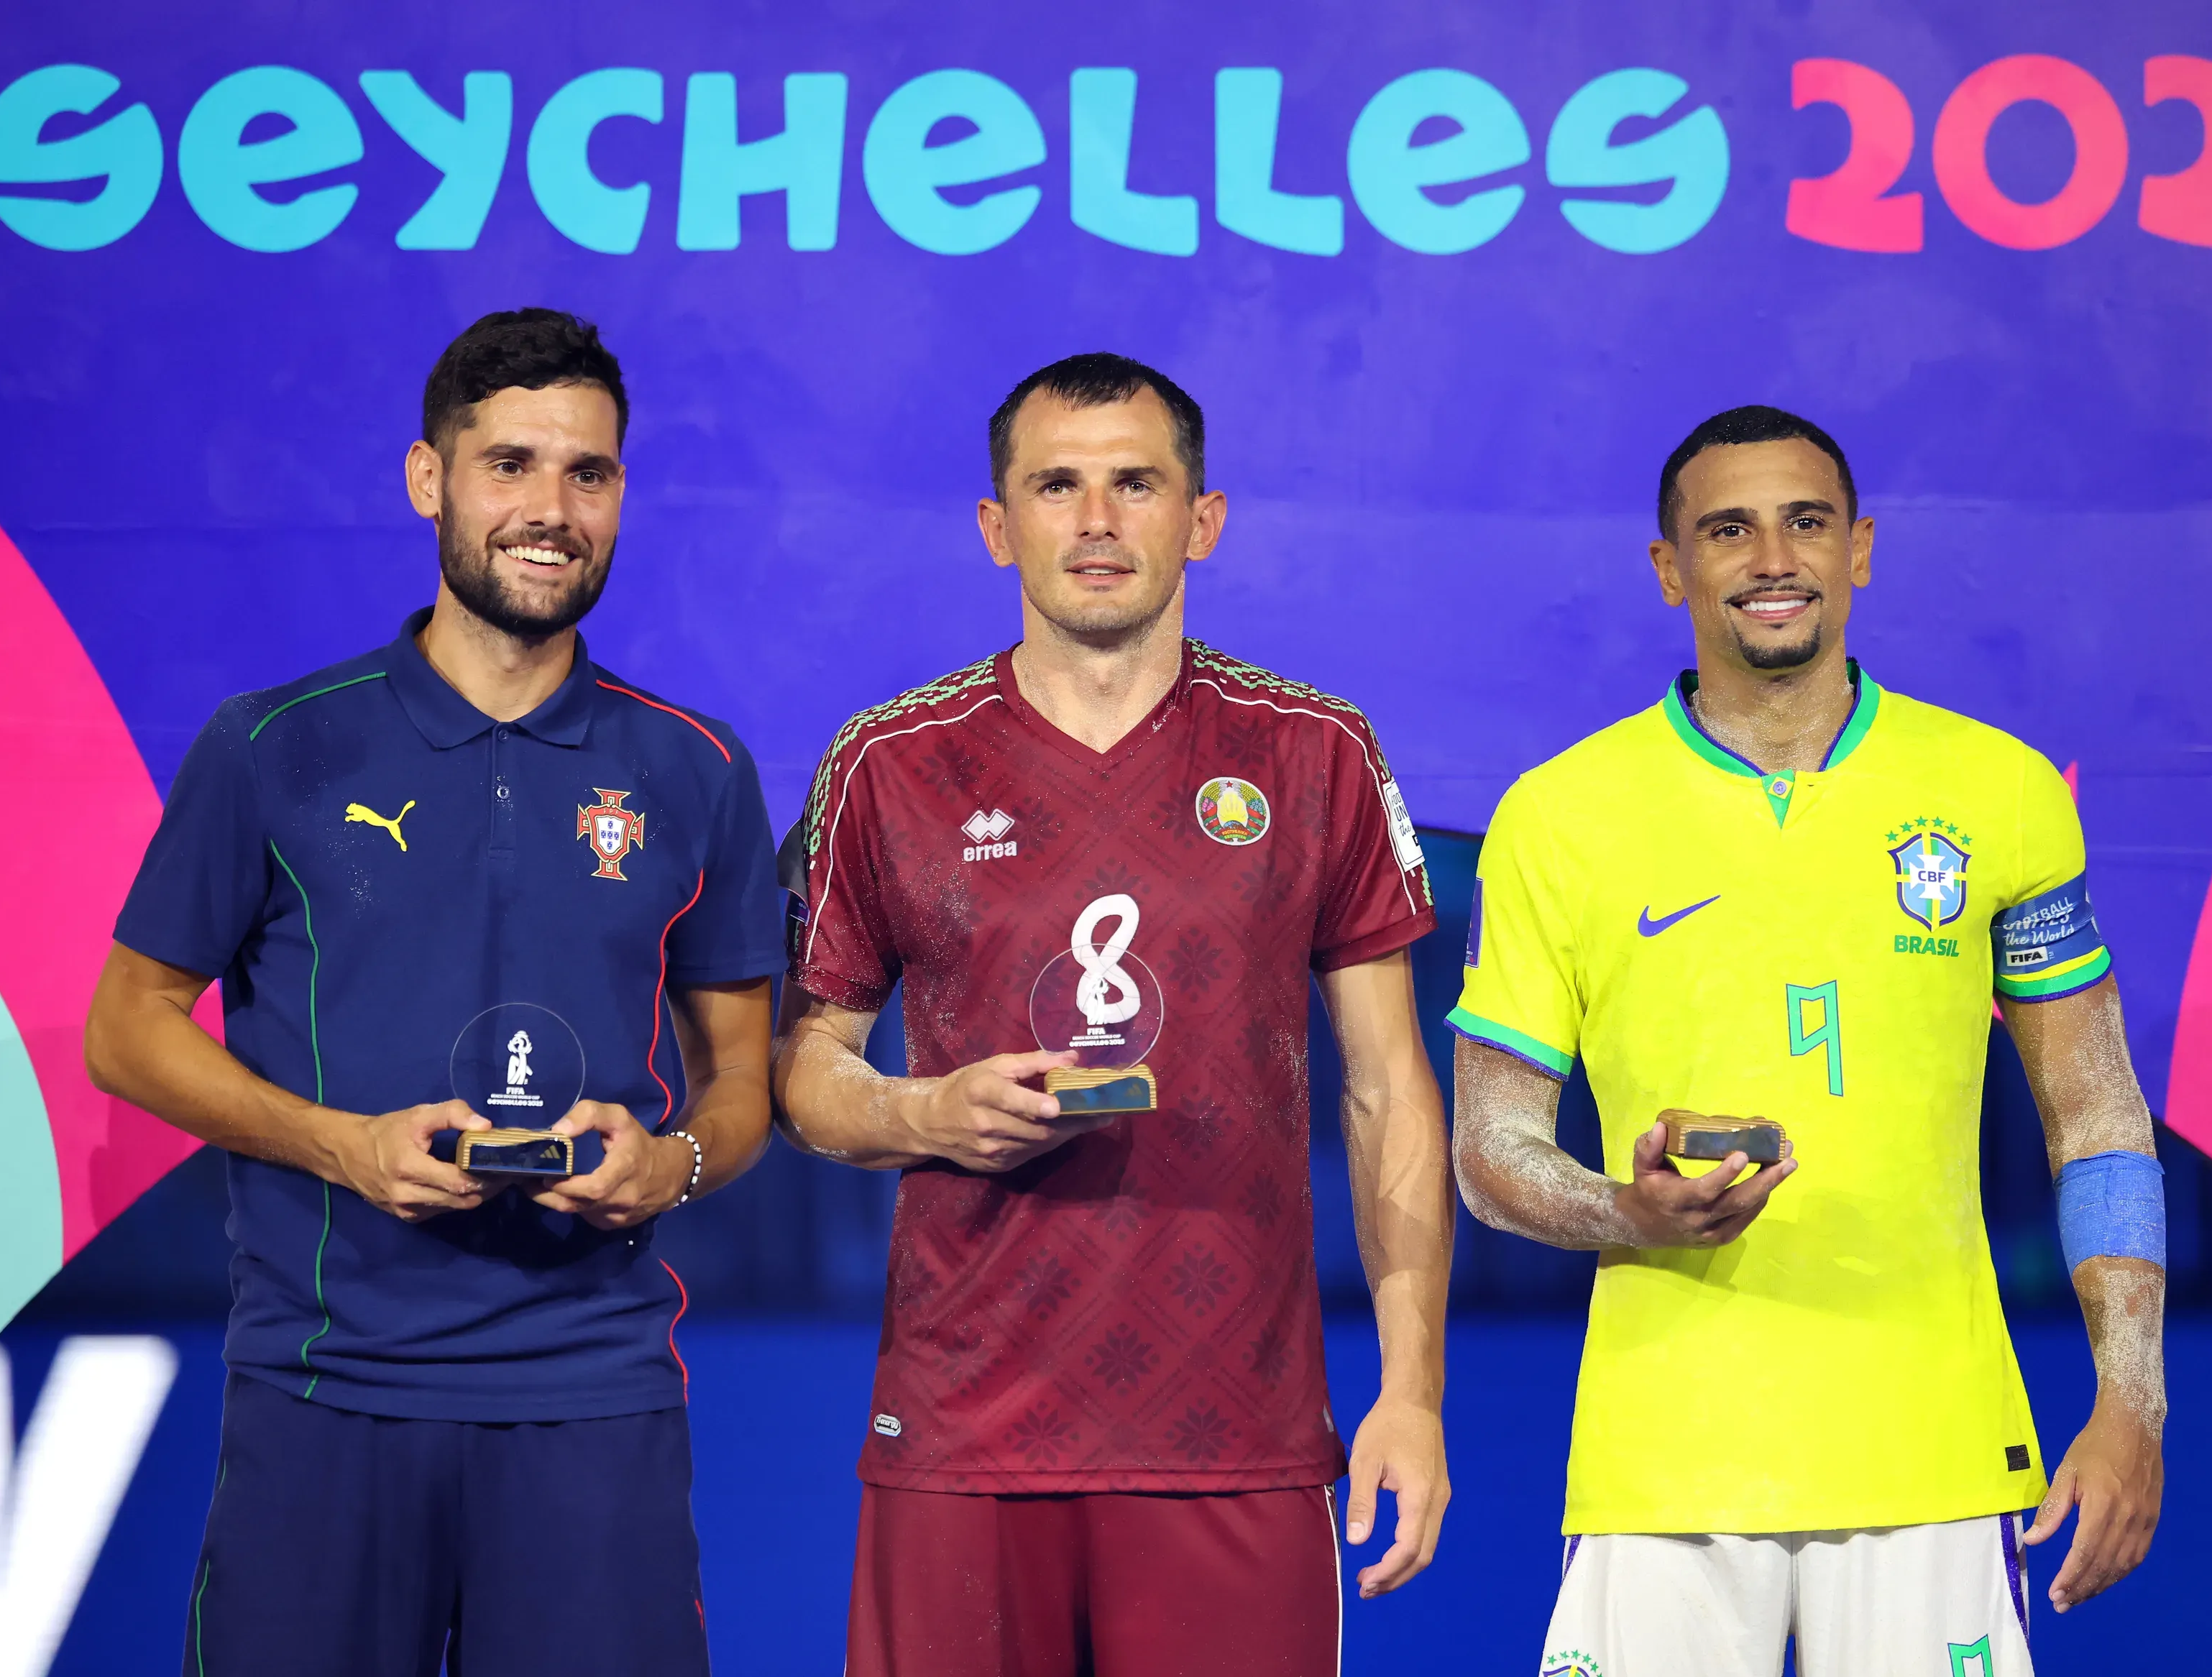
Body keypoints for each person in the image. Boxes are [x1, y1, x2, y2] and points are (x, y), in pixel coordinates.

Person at [85, 308, 783, 1677]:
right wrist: (342, 1145)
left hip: (593, 1400)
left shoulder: (695, 770)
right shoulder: (277, 745)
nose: (551, 509)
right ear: (430, 480)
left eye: (589, 473)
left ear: (623, 494)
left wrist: (672, 1165)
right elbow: (126, 1028)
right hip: (323, 1392)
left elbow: (742, 1088)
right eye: (510, 464)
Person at [1450, 405, 2165, 1675]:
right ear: (1671, 568)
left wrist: (2134, 1402)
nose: (1772, 556)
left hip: (1933, 1453)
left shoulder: (1997, 791)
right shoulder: (1557, 818)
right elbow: (1490, 1150)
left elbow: (2099, 1119)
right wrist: (1631, 1208)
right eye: (1728, 529)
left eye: (1806, 522)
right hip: (1665, 1463)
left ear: (1861, 549)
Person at [772, 352, 1454, 1676]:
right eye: (1058, 487)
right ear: (996, 525)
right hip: (964, 1430)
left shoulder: (1314, 752)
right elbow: (809, 1074)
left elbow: (1387, 1093)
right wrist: (928, 1112)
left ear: (1202, 518)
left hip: (1238, 1436)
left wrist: (1412, 1392)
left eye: (1136, 485)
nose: (1097, 524)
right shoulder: (889, 761)